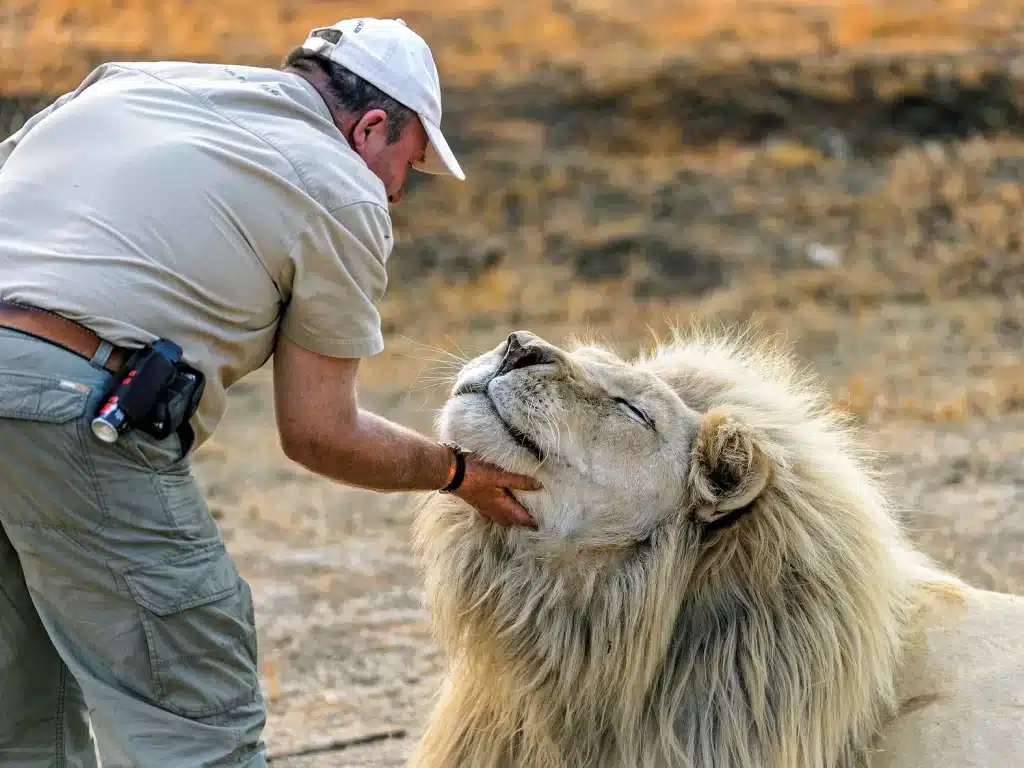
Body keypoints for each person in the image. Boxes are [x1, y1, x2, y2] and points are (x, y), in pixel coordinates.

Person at [0, 16, 539, 767]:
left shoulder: (128, 85)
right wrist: (456, 473)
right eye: (408, 167)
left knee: (19, 719)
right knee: (195, 721)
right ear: (371, 126)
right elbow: (321, 433)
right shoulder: (339, 186)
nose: (399, 196)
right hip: (73, 411)